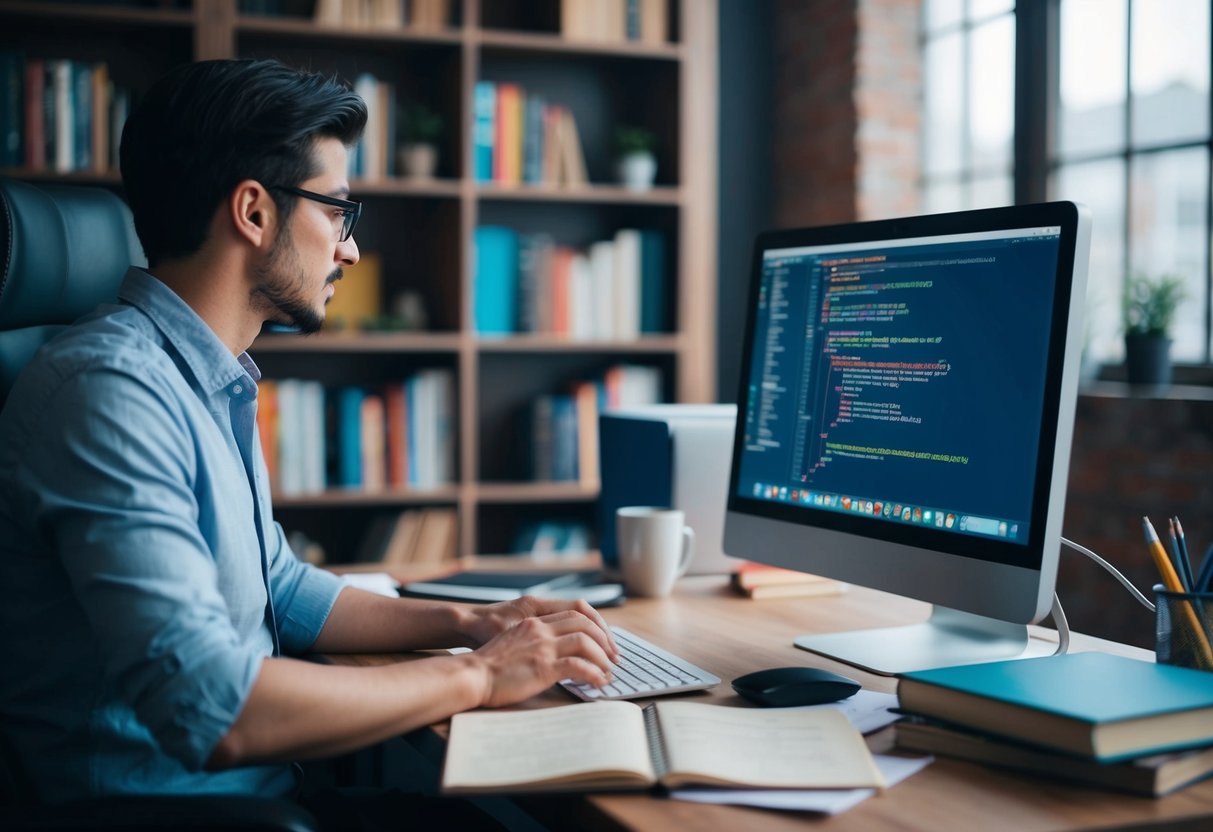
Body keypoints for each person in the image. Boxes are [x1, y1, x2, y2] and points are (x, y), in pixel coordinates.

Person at [0, 58, 617, 811]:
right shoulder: (111, 394)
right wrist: (483, 673)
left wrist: (476, 621)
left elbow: (278, 586)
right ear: (254, 212)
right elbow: (210, 706)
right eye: (336, 212)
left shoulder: (207, 374)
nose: (349, 249)